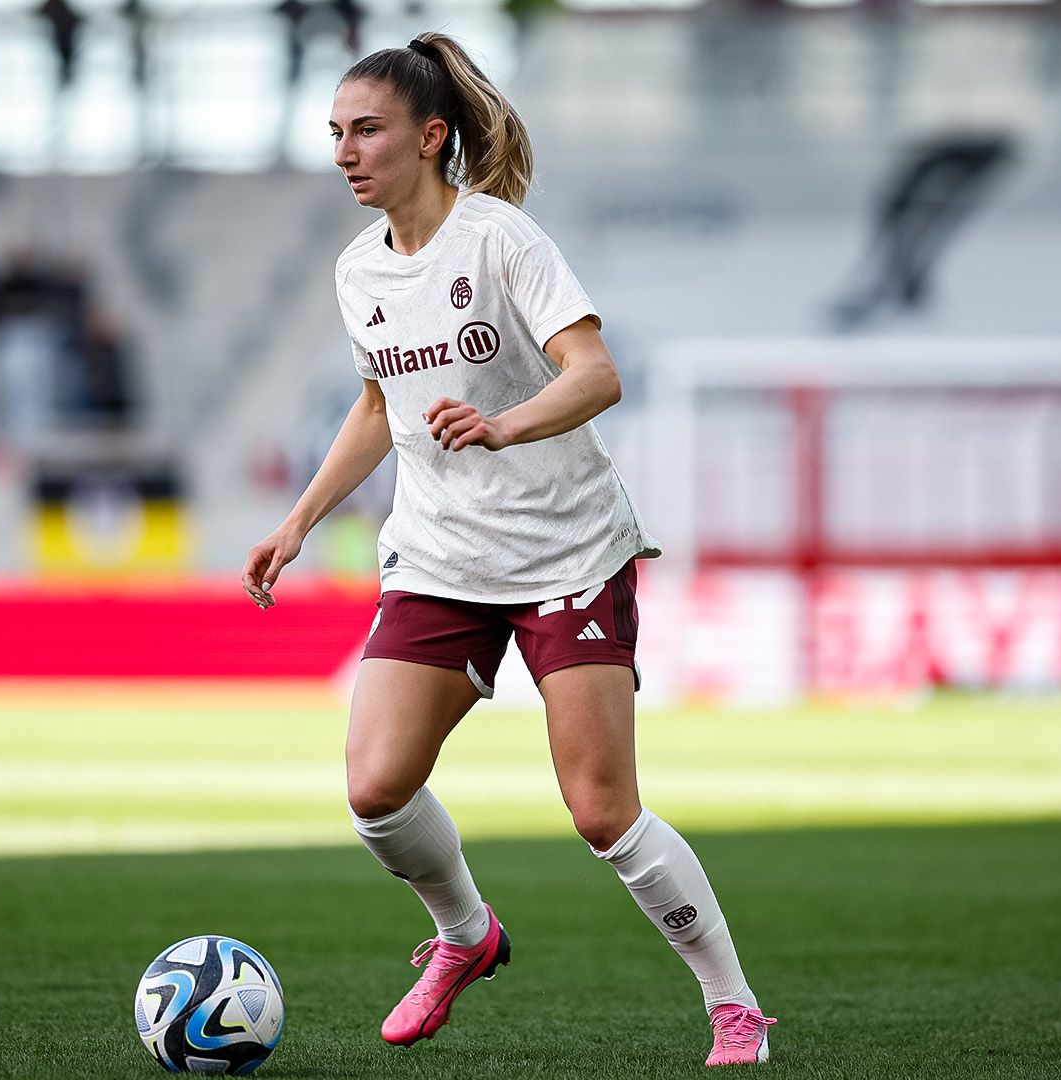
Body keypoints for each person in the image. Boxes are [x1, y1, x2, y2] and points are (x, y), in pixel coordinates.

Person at [241, 33, 776, 1067]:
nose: (346, 153)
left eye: (367, 131)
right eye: (336, 135)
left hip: (566, 550)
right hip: (440, 558)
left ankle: (733, 1004)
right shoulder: (359, 271)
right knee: (375, 789)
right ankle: (465, 936)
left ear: (431, 136)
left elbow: (595, 373)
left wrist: (505, 424)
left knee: (600, 810)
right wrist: (298, 520)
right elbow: (374, 407)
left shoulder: (502, 242)